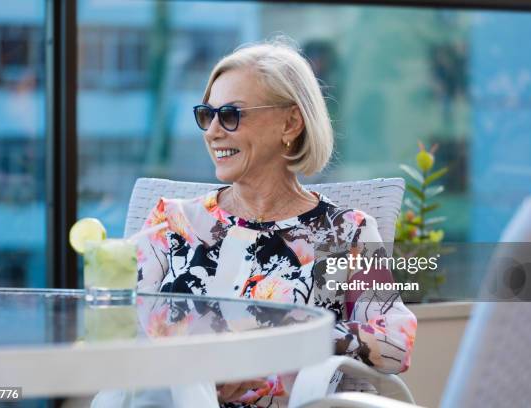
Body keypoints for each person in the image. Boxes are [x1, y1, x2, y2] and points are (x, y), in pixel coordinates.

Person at [136, 38, 417, 407]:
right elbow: (120, 330)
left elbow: (395, 341)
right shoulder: (170, 222)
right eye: (208, 114)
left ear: (291, 122)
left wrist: (277, 344)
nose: (212, 131)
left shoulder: (345, 233)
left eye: (231, 115)